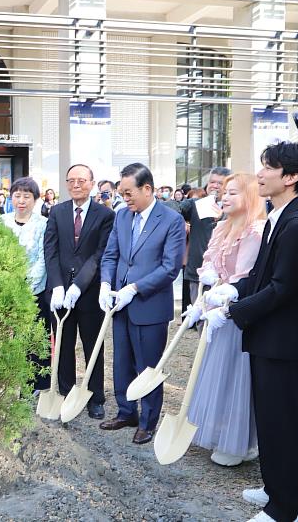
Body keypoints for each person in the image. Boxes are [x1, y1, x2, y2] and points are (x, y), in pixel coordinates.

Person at [204, 142, 298, 522]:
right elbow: (262, 278)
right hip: (272, 337)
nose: (259, 174)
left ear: (290, 178)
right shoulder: (282, 217)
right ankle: (280, 488)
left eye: (268, 168)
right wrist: (233, 290)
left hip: (285, 341)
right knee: (271, 419)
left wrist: (233, 310)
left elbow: (281, 288)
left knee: (281, 423)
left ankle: (285, 507)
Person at [99, 162, 186, 444]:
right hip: (119, 303)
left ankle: (148, 421)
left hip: (149, 305)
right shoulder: (122, 217)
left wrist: (135, 288)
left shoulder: (170, 220)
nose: (124, 198)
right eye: (121, 193)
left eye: (128, 192)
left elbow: (170, 267)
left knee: (148, 367)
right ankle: (126, 412)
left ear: (147, 189)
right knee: (121, 361)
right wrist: (105, 284)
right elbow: (111, 255)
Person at [184, 173, 266, 467]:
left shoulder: (255, 231)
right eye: (224, 192)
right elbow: (209, 266)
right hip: (216, 311)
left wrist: (219, 290)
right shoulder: (221, 227)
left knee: (237, 375)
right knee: (216, 371)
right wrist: (201, 301)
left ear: (251, 196)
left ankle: (241, 442)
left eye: (233, 192)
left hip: (238, 312)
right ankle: (221, 431)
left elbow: (244, 278)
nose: (225, 197)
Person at [44, 164, 115, 419]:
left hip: (89, 291)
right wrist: (58, 285)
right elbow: (50, 251)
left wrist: (78, 285)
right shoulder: (57, 212)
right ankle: (66, 391)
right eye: (71, 180)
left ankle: (95, 396)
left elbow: (100, 255)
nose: (76, 184)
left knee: (92, 344)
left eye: (81, 180)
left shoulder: (104, 215)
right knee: (62, 344)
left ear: (92, 182)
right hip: (60, 291)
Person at [1, 177, 49, 390]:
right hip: (6, 289)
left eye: (27, 196)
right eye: (17, 195)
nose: (21, 200)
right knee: (7, 337)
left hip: (34, 291)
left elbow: (43, 258)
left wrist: (26, 286)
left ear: (35, 199)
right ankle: (8, 381)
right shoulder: (2, 221)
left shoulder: (44, 224)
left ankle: (36, 384)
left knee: (35, 337)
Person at [179, 167, 230, 326]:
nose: (215, 186)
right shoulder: (197, 204)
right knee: (201, 319)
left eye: (220, 183)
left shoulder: (235, 207)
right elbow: (174, 208)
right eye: (212, 182)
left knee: (220, 322)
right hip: (197, 273)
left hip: (225, 276)